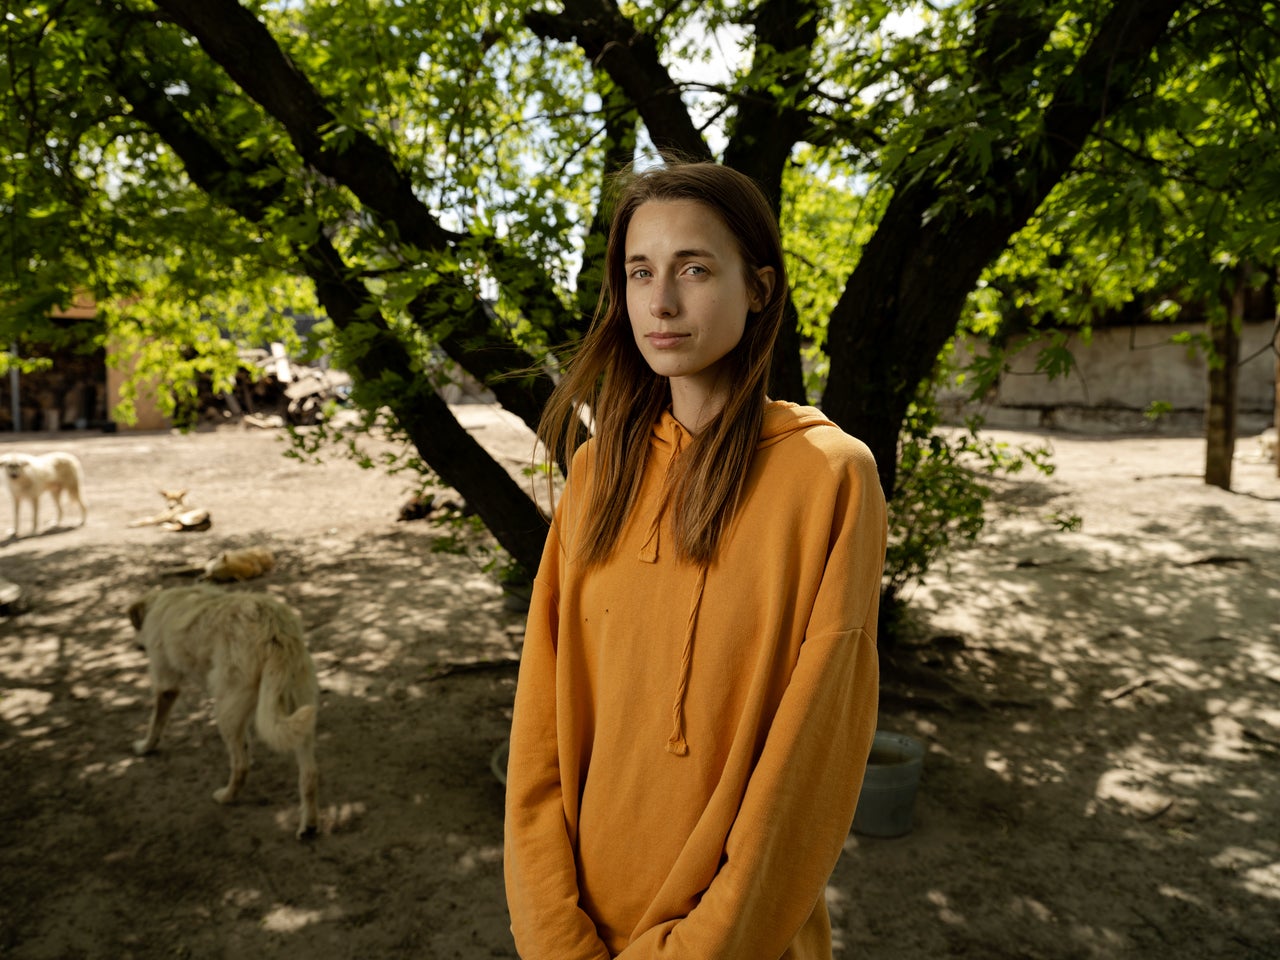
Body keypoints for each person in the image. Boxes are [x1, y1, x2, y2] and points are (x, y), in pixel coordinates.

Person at [503, 161, 888, 959]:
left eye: (695, 269)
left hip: (738, 941)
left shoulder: (830, 478)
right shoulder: (595, 475)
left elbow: (808, 772)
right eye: (640, 273)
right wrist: (553, 936)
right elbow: (538, 728)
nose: (662, 302)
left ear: (760, 288)